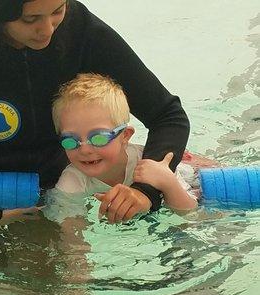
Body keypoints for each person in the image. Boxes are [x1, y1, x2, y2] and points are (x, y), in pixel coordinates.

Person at [0, 0, 190, 231]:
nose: (48, 30)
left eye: (57, 11)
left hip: (64, 185)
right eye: (31, 19)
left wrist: (145, 190)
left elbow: (167, 116)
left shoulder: (80, 30)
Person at [45, 73, 201, 224]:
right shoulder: (72, 180)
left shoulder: (148, 164)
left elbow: (189, 214)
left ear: (125, 136)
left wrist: (168, 182)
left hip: (188, 176)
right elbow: (70, 231)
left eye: (98, 138)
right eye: (70, 141)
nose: (85, 150)